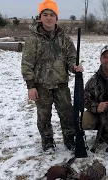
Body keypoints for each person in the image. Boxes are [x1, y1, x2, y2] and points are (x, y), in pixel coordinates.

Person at [21, 0, 83, 152]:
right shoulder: (32, 39)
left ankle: (70, 139)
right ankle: (47, 142)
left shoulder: (64, 38)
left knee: (68, 114)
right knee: (44, 117)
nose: (49, 18)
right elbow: (27, 64)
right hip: (41, 87)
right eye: (45, 14)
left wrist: (75, 68)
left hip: (61, 85)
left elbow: (71, 58)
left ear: (56, 17)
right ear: (40, 17)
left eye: (52, 15)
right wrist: (31, 86)